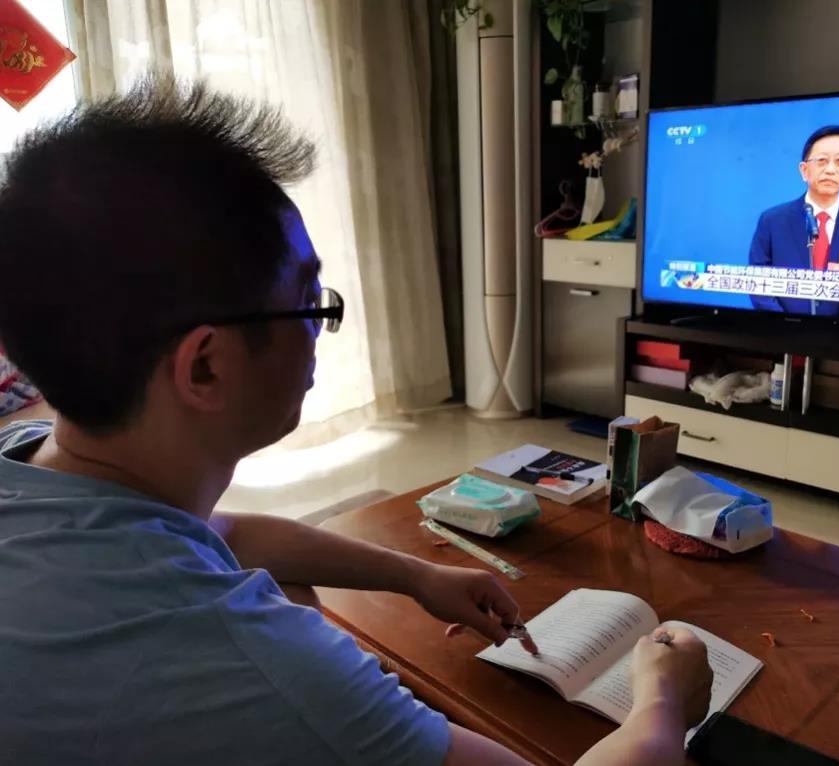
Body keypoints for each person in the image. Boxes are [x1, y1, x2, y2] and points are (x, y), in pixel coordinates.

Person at [0, 76, 712, 765]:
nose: (322, 328)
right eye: (310, 301)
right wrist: (661, 704)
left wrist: (417, 576)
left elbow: (224, 534)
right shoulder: (250, 662)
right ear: (206, 367)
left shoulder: (31, 461)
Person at [747, 125, 839, 319]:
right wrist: (786, 327)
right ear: (804, 170)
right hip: (782, 332)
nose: (830, 170)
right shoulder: (772, 221)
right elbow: (757, 283)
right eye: (822, 160)